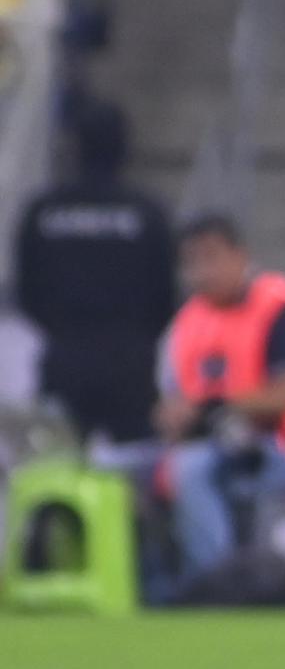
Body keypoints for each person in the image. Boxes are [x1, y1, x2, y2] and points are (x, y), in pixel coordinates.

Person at [156, 215, 285, 598]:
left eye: (211, 258)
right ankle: (154, 588)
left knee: (193, 469)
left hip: (280, 449)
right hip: (206, 443)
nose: (202, 272)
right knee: (123, 470)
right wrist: (175, 416)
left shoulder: (277, 308)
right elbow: (171, 400)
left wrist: (215, 408)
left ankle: (215, 586)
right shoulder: (188, 321)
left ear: (240, 256)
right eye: (192, 262)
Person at [12, 98, 175, 443]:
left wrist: (64, 329)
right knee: (131, 471)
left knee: (57, 467)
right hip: (130, 364)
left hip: (65, 359)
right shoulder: (146, 212)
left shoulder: (43, 212)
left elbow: (25, 292)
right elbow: (167, 295)